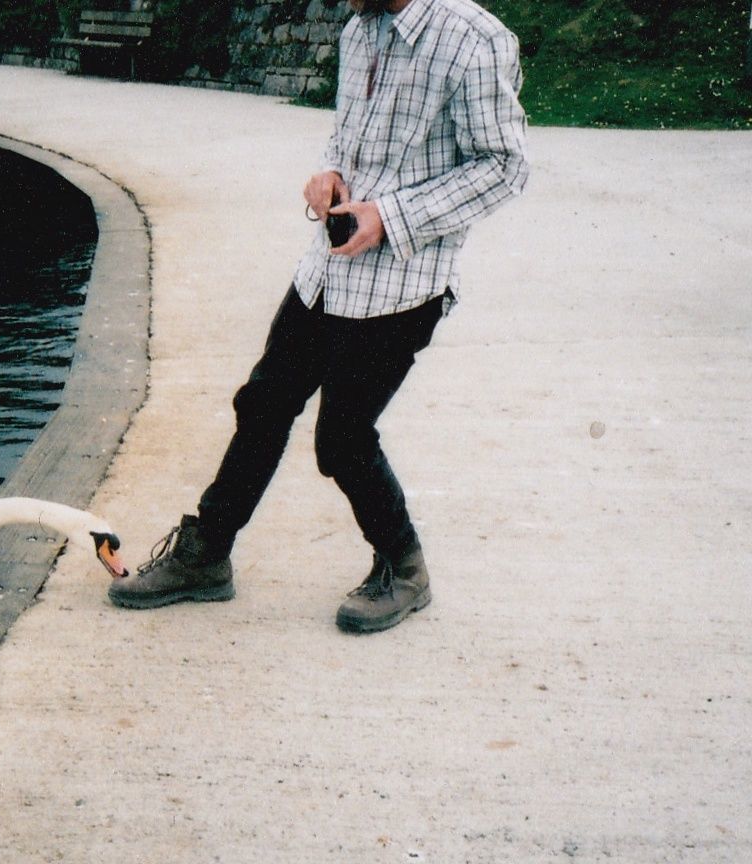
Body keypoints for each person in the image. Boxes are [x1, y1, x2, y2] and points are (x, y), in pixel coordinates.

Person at [109, 0, 530, 633]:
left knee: (342, 441)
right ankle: (208, 554)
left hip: (401, 287)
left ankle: (406, 569)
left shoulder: (475, 39)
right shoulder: (360, 25)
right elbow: (349, 133)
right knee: (263, 405)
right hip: (326, 273)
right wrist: (330, 172)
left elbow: (505, 166)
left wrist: (392, 216)